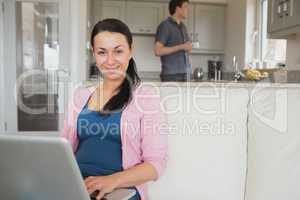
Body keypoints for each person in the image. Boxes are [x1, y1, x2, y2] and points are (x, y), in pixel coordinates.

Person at [61, 18, 168, 200]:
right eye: (102, 52)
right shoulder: (80, 96)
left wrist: (112, 181)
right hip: (77, 187)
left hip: (119, 191)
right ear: (94, 54)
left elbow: (156, 164)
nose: (110, 61)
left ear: (130, 52)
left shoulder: (145, 98)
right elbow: (63, 150)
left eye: (118, 51)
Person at [154, 0, 192, 82]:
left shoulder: (183, 27)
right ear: (178, 9)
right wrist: (182, 46)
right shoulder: (165, 26)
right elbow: (158, 51)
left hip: (185, 73)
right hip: (171, 75)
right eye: (185, 7)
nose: (188, 10)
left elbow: (185, 49)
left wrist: (188, 47)